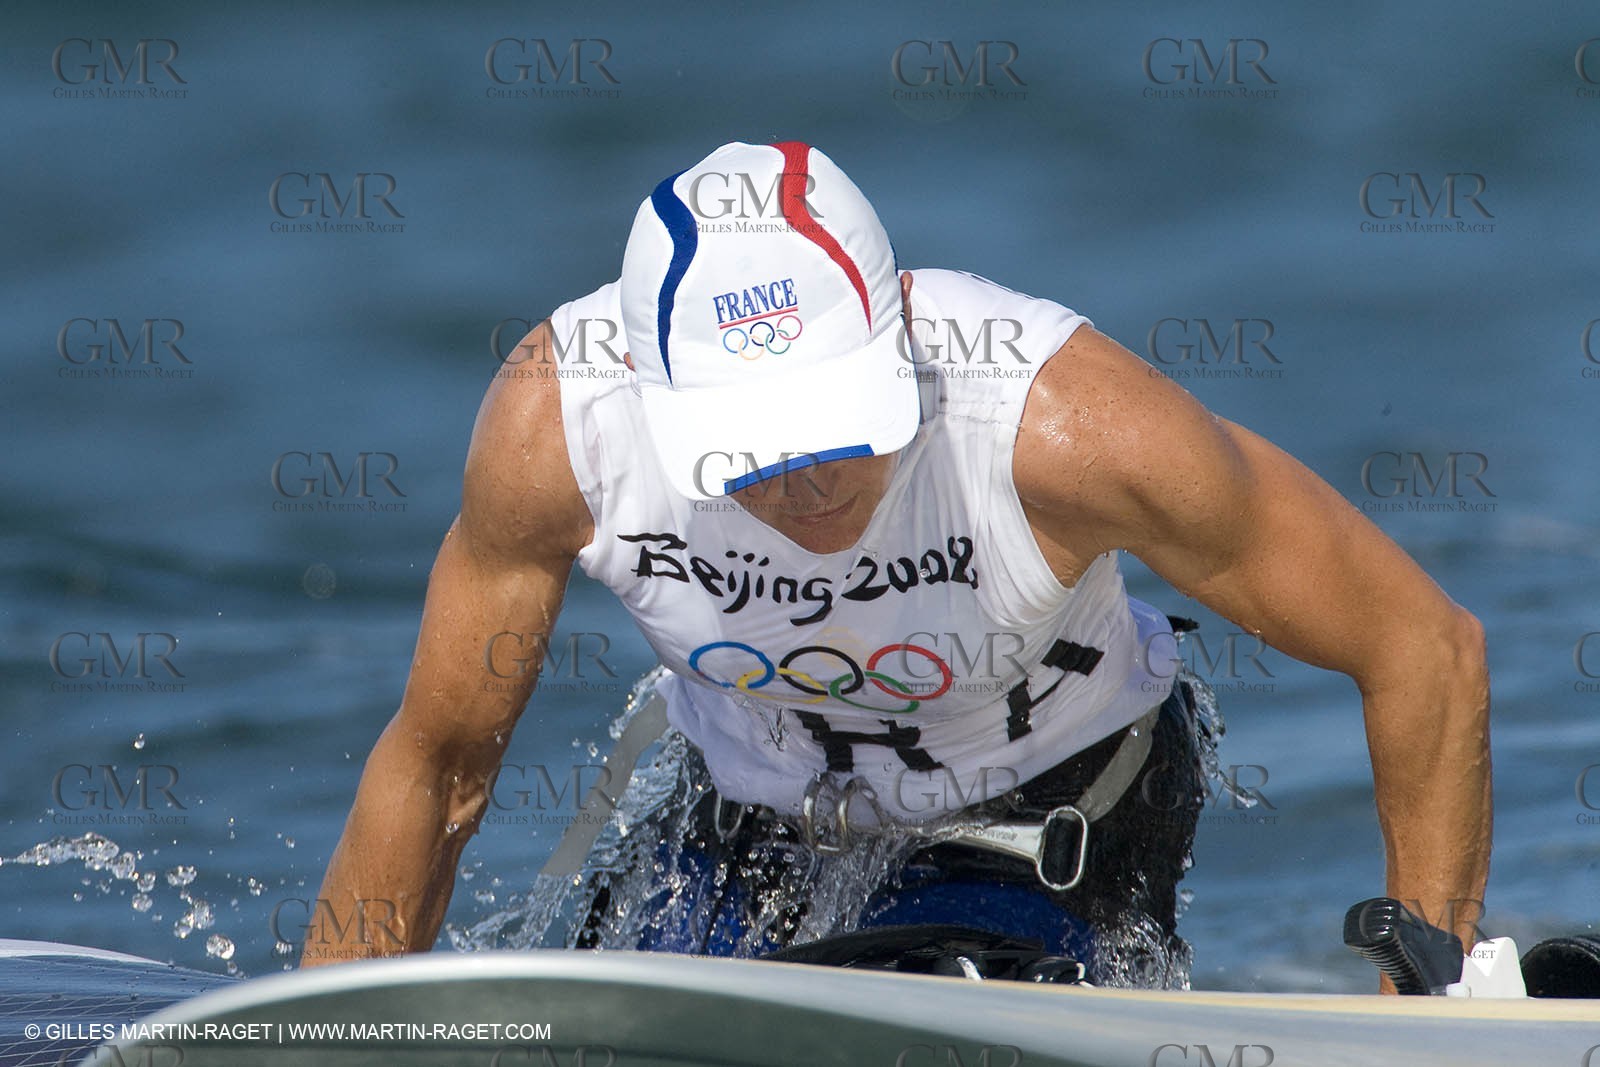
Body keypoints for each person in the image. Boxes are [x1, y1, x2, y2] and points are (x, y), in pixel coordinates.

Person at [302, 141, 1491, 988]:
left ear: (895, 342)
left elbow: (1420, 645)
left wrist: (1423, 1007)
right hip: (749, 813)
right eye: (755, 456)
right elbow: (441, 762)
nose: (807, 485)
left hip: (1053, 809)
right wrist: (327, 1027)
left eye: (836, 429)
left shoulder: (1066, 430)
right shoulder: (555, 433)